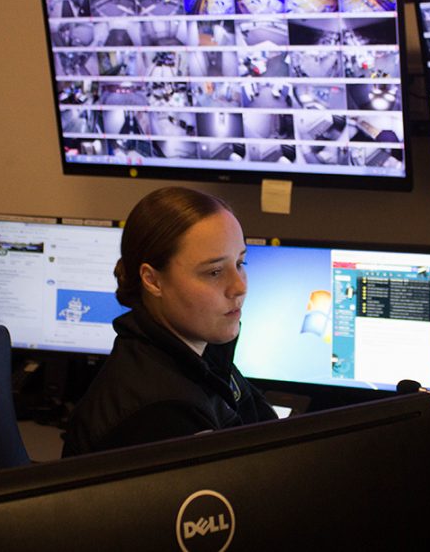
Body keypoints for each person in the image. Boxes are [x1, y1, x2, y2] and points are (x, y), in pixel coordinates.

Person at [62, 186, 277, 457]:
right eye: (214, 271)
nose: (239, 286)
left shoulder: (202, 352)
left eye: (241, 263)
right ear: (153, 280)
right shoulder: (160, 413)